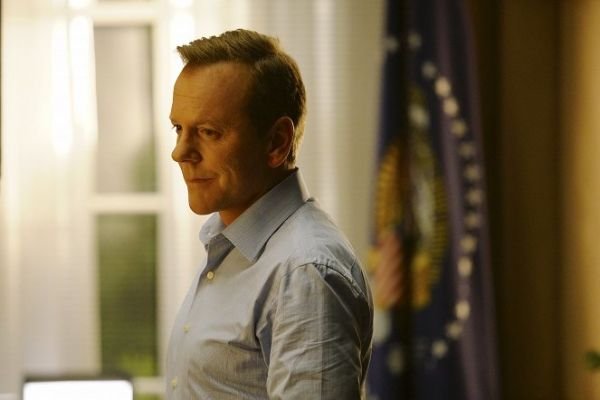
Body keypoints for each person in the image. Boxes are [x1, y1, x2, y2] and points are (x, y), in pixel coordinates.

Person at [166, 29, 373, 399]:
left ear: (277, 142)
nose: (180, 152)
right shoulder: (229, 244)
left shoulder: (305, 271)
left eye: (209, 132)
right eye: (179, 129)